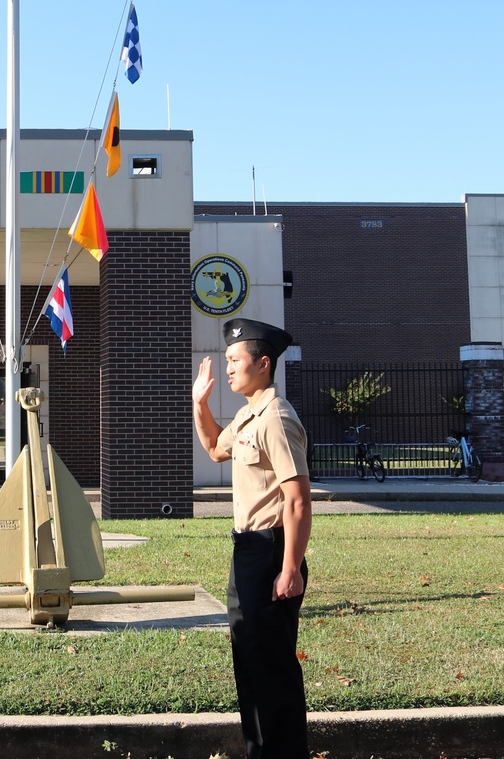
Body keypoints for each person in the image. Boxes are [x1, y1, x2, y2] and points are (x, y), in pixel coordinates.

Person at [192, 318, 312, 759]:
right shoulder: (247, 414)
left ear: (263, 364)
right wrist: (198, 403)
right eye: (226, 361)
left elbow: (298, 500)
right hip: (247, 551)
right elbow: (213, 448)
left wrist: (290, 569)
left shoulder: (277, 419)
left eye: (234, 360)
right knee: (250, 662)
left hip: (271, 552)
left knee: (272, 667)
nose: (227, 369)